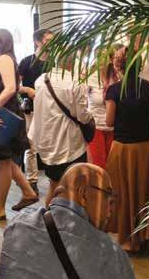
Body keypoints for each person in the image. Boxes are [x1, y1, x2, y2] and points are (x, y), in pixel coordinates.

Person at [0, 163, 141, 279]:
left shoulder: (18, 223)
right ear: (84, 195)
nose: (111, 209)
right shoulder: (106, 251)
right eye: (108, 196)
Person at [105, 47, 149, 254]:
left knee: (123, 193)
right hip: (146, 147)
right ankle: (145, 234)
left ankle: (128, 238)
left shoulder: (114, 90)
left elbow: (109, 121)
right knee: (144, 190)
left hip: (123, 149)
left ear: (118, 66)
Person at [0, 29, 38, 222]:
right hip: (5, 111)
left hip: (3, 114)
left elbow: (10, 88)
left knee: (3, 161)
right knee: (7, 160)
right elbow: (13, 86)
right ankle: (28, 192)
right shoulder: (5, 58)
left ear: (0, 40)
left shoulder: (3, 58)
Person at [29, 55, 91, 204]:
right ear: (72, 64)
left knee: (54, 185)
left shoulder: (41, 80)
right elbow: (83, 117)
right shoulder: (75, 83)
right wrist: (92, 115)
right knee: (75, 187)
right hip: (70, 145)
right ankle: (68, 216)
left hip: (47, 142)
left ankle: (49, 215)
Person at [18, 28, 53, 194]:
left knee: (51, 143)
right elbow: (15, 86)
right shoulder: (26, 62)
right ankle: (32, 180)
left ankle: (53, 178)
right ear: (38, 42)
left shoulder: (54, 62)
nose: (52, 44)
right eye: (48, 40)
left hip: (51, 109)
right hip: (31, 109)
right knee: (31, 146)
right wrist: (27, 90)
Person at [86, 45, 121, 169]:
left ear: (111, 59)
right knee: (98, 165)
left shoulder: (118, 78)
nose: (100, 60)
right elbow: (81, 100)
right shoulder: (90, 77)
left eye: (103, 57)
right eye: (98, 56)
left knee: (113, 164)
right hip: (96, 127)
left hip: (114, 127)